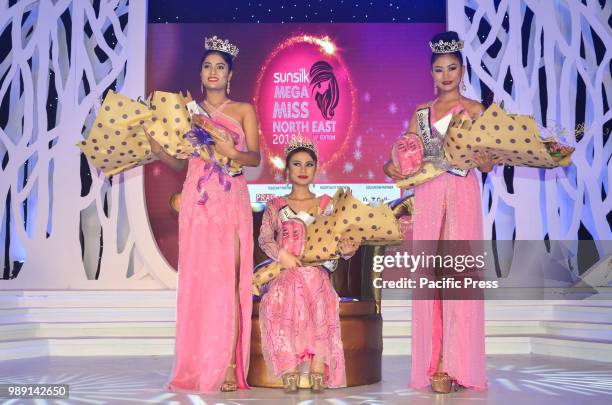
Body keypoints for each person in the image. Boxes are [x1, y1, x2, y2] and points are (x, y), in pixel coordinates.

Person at [383, 31, 495, 393]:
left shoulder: (476, 110)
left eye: (452, 68)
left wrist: (484, 159)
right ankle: (436, 361)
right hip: (430, 196)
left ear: (462, 70)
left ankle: (456, 364)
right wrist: (393, 169)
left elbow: (489, 165)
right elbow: (404, 157)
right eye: (438, 69)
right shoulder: (421, 114)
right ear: (431, 73)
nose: (446, 75)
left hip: (462, 195)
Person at [153, 35, 261, 392]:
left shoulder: (243, 109)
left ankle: (230, 365)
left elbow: (254, 159)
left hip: (230, 200)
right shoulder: (187, 113)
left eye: (220, 67)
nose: (213, 72)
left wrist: (231, 150)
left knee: (228, 282)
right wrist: (156, 148)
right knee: (199, 282)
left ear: (230, 74)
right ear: (200, 74)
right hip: (197, 199)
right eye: (207, 66)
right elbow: (180, 161)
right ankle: (196, 363)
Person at [257, 139, 359, 393]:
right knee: (279, 298)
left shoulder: (327, 204)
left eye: (309, 164)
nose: (303, 169)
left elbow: (337, 243)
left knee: (319, 293)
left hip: (316, 273)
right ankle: (289, 369)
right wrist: (282, 255)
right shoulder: (275, 206)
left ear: (316, 169)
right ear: (287, 171)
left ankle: (318, 366)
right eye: (297, 164)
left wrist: (347, 249)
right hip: (285, 273)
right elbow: (264, 238)